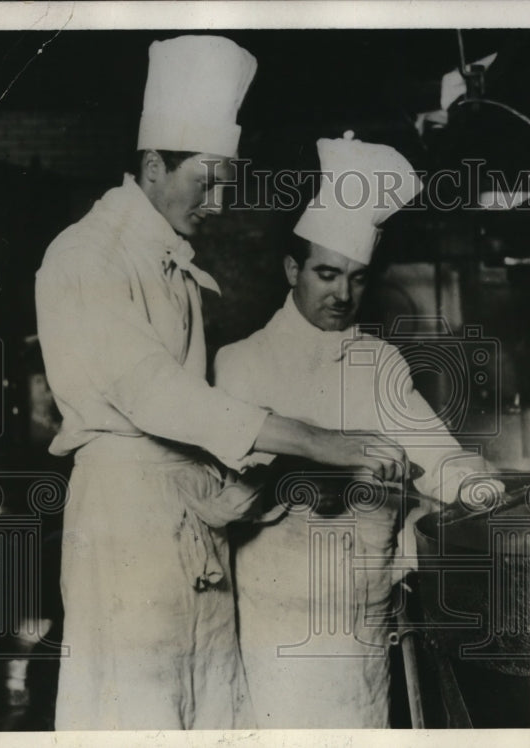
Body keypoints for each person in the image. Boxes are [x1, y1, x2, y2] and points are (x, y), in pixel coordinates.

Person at [34, 38, 407, 731]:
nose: (221, 198)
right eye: (207, 177)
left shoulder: (167, 258)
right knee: (140, 715)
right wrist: (321, 441)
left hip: (187, 522)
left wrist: (249, 488)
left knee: (212, 712)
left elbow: (190, 424)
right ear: (152, 165)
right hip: (128, 532)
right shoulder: (88, 255)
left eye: (228, 178)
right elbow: (155, 395)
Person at [214, 133, 503, 728]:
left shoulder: (380, 363)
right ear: (292, 268)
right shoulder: (242, 363)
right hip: (279, 615)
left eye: (357, 277)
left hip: (366, 612)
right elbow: (226, 497)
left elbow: (438, 457)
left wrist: (482, 489)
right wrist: (309, 474)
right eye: (326, 273)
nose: (342, 294)